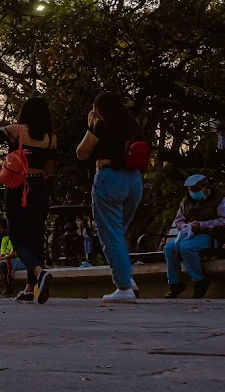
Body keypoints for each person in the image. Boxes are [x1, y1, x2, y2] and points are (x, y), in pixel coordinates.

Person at [0, 96, 58, 303]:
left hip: (19, 188)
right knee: (36, 236)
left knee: (17, 237)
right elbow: (49, 169)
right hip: (40, 187)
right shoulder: (51, 138)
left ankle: (40, 273)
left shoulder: (14, 130)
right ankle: (31, 287)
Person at [76, 91, 144, 303]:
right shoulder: (134, 126)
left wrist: (90, 126)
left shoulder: (101, 125)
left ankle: (123, 287)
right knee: (119, 232)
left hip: (110, 179)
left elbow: (82, 153)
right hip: (134, 180)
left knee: (111, 235)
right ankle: (128, 279)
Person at [164, 174, 225, 299]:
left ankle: (200, 280)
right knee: (169, 248)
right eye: (190, 190)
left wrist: (202, 225)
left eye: (196, 190)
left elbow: (224, 220)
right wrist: (185, 227)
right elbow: (179, 220)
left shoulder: (219, 199)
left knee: (187, 247)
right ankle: (175, 283)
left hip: (210, 235)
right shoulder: (186, 201)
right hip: (189, 233)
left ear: (205, 187)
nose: (193, 193)